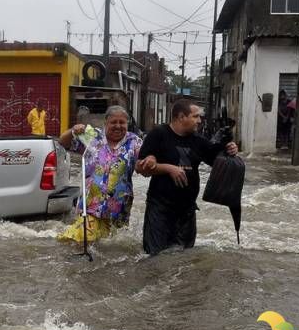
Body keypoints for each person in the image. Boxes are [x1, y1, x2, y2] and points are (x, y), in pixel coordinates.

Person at [135, 99, 238, 256]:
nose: (199, 120)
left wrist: (230, 149)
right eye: (195, 116)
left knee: (184, 261)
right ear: (181, 116)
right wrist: (169, 168)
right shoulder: (159, 134)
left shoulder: (198, 141)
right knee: (154, 258)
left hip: (187, 212)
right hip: (160, 209)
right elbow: (140, 168)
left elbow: (218, 162)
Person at [57, 106, 145, 243]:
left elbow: (144, 160)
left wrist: (147, 162)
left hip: (118, 208)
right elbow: (63, 142)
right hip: (91, 205)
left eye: (122, 123)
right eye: (113, 122)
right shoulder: (92, 136)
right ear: (105, 123)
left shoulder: (134, 142)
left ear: (127, 124)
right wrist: (73, 130)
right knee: (80, 239)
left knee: (112, 245)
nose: (118, 126)